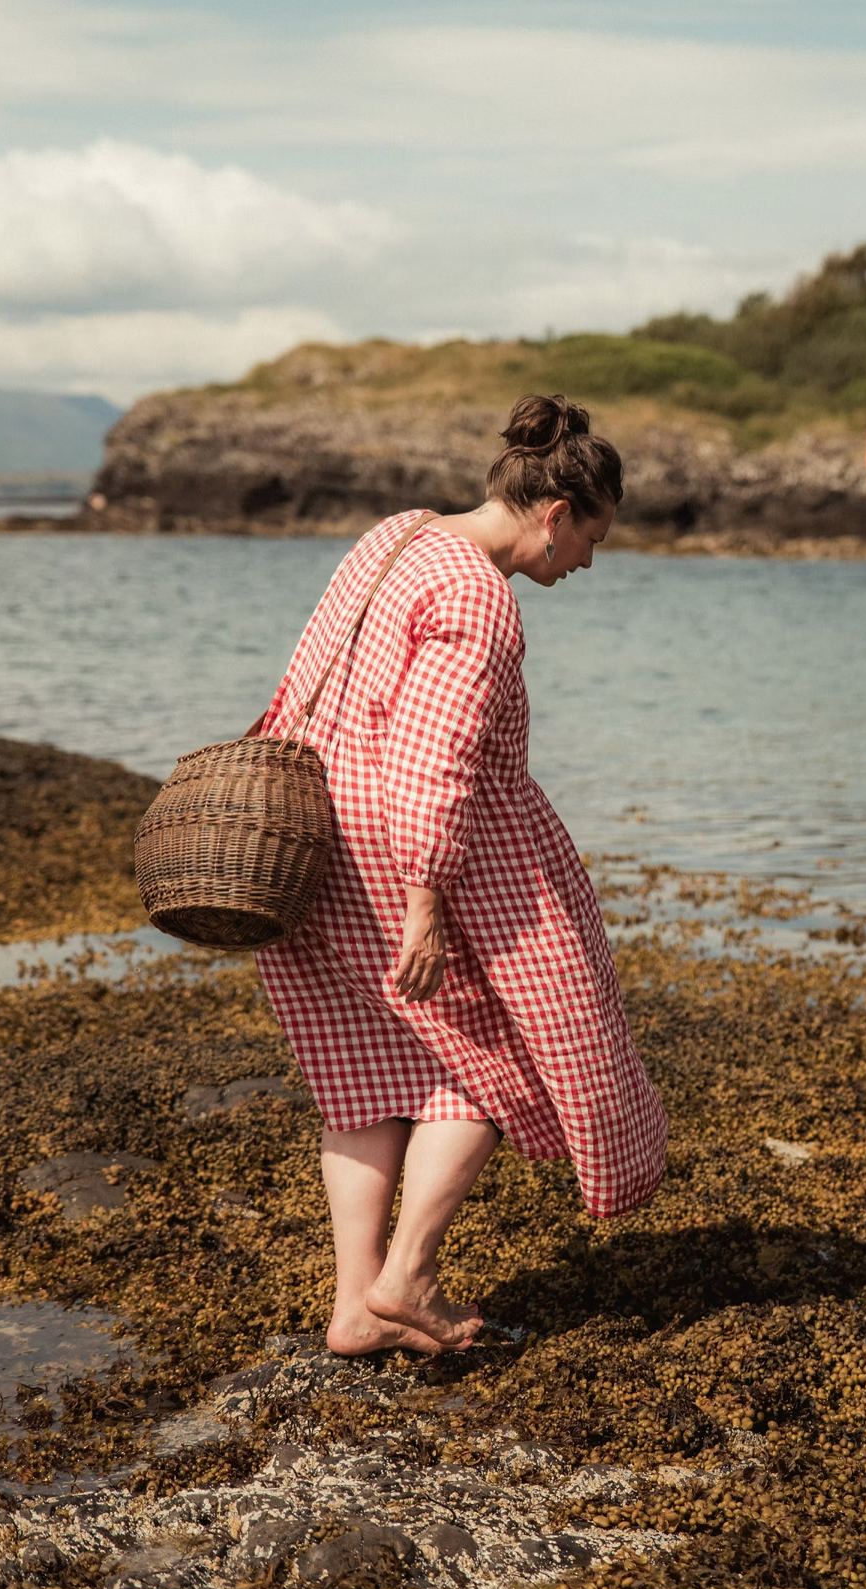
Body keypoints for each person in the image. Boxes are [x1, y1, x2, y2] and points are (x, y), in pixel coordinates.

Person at [255, 395, 668, 1356]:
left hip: (320, 841)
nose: (587, 566)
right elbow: (431, 761)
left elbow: (311, 681)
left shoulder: (398, 537)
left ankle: (356, 1309)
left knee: (369, 1072)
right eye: (592, 541)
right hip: (397, 858)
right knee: (504, 1062)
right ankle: (408, 1281)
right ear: (556, 513)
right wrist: (427, 902)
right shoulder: (479, 599)